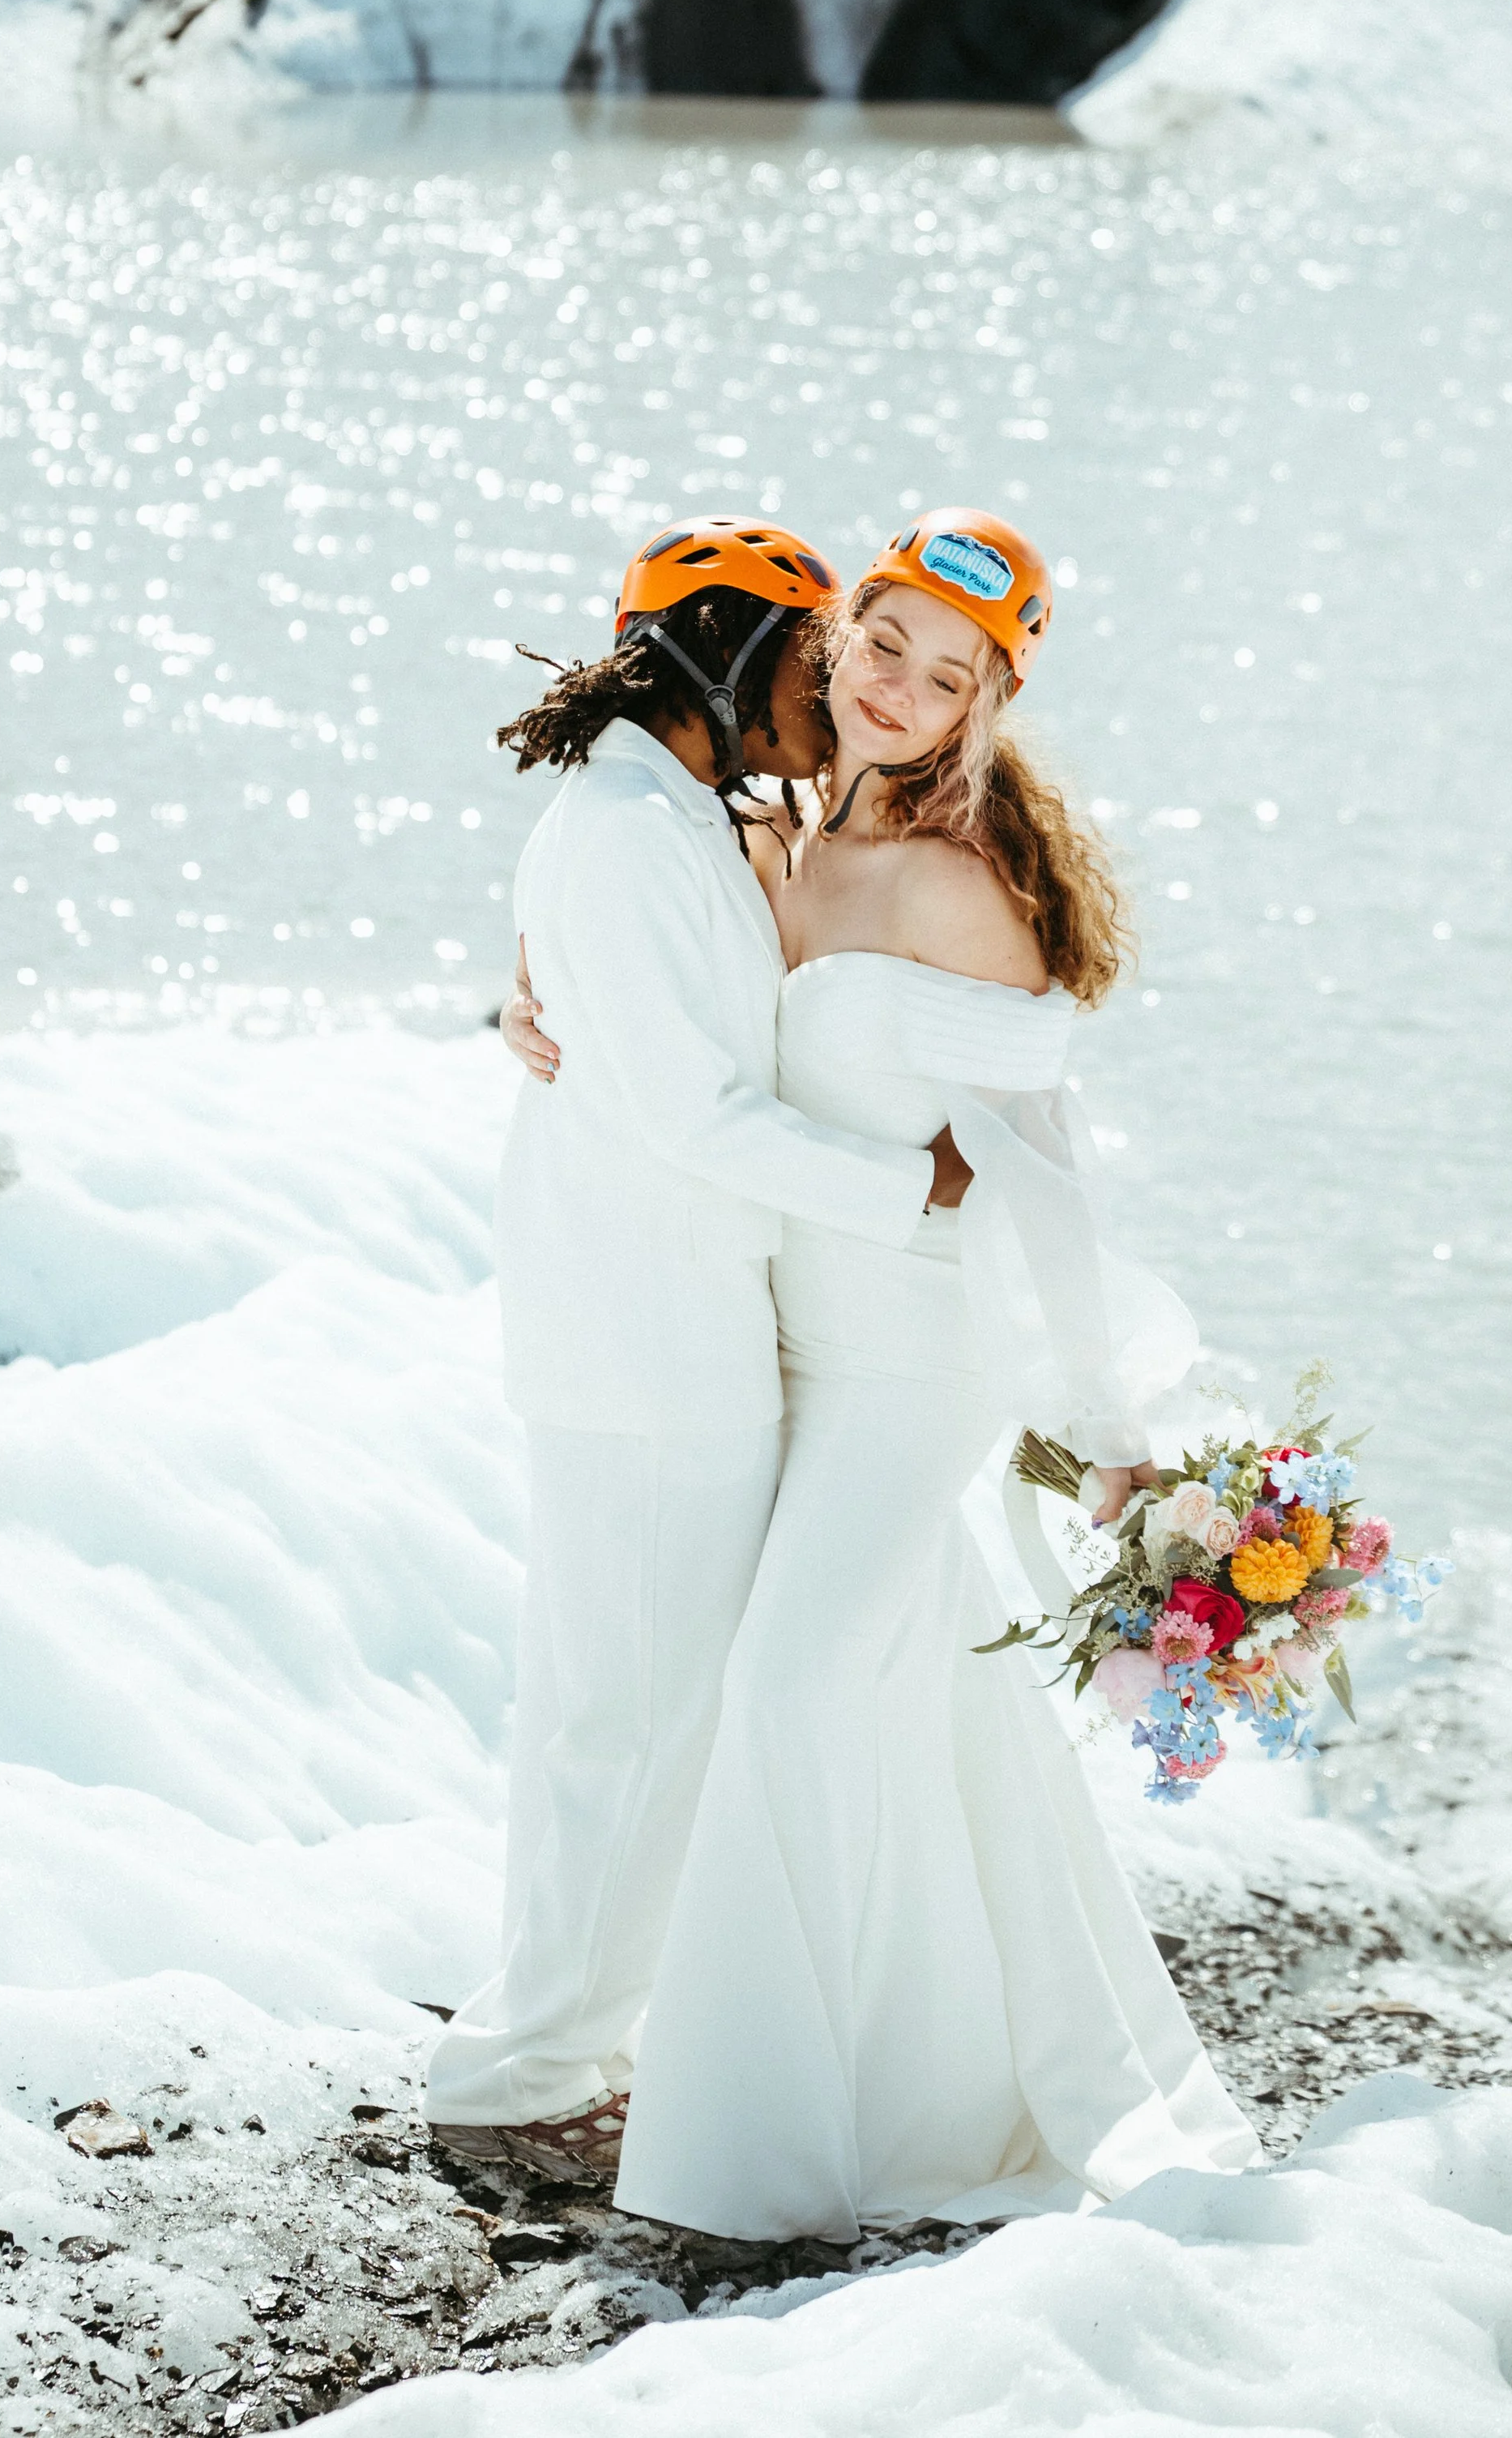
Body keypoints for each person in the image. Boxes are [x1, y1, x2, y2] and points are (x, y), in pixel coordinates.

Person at [509, 506, 1258, 2237]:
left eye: (948, 674)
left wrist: (1106, 1428)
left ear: (989, 705)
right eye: (882, 644)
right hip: (779, 1343)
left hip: (912, 1364)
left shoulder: (957, 883)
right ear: (829, 640)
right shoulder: (765, 843)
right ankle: (922, 2068)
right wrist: (532, 1000)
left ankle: (752, 2146)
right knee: (906, 1707)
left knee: (784, 1693)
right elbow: (661, 1009)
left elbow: (1046, 1174)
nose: (898, 689)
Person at [425, 518, 973, 2188]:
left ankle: (553, 2040)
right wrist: (918, 1189)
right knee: (635, 1723)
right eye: (813, 660)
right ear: (725, 657)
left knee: (625, 1708)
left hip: (662, 1319)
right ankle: (528, 2074)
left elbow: (663, 1032)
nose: (834, 692)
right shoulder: (625, 836)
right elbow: (694, 1113)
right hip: (647, 1332)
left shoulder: (675, 817)